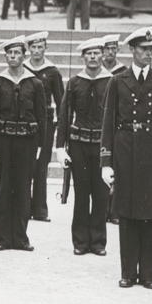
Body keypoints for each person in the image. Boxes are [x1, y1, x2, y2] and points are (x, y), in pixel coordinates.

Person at [100, 28, 152, 290]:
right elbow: (108, 124)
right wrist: (106, 162)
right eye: (143, 48)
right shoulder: (117, 80)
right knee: (126, 215)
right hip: (124, 154)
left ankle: (148, 274)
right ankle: (127, 272)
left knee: (151, 215)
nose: (149, 53)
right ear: (132, 50)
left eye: (151, 48)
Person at [0, 36, 46, 253]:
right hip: (3, 141)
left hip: (27, 141)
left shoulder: (35, 83)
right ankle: (2, 238)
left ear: (24, 56)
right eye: (9, 53)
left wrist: (40, 146)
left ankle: (20, 238)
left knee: (23, 189)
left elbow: (42, 117)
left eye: (17, 53)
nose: (13, 57)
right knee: (5, 188)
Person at [55, 38, 113, 256]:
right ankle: (80, 242)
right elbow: (64, 116)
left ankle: (98, 242)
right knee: (81, 195)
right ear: (83, 57)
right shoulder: (74, 83)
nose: (93, 57)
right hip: (79, 145)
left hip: (102, 147)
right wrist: (60, 148)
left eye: (96, 53)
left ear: (103, 55)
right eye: (88, 53)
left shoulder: (112, 82)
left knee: (100, 196)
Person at [23, 31, 64, 223]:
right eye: (33, 47)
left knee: (41, 165)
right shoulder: (21, 68)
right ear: (28, 49)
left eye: (40, 47)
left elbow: (60, 101)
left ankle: (39, 209)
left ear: (46, 48)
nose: (36, 51)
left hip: (45, 123)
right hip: (24, 121)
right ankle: (23, 207)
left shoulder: (53, 72)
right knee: (24, 165)